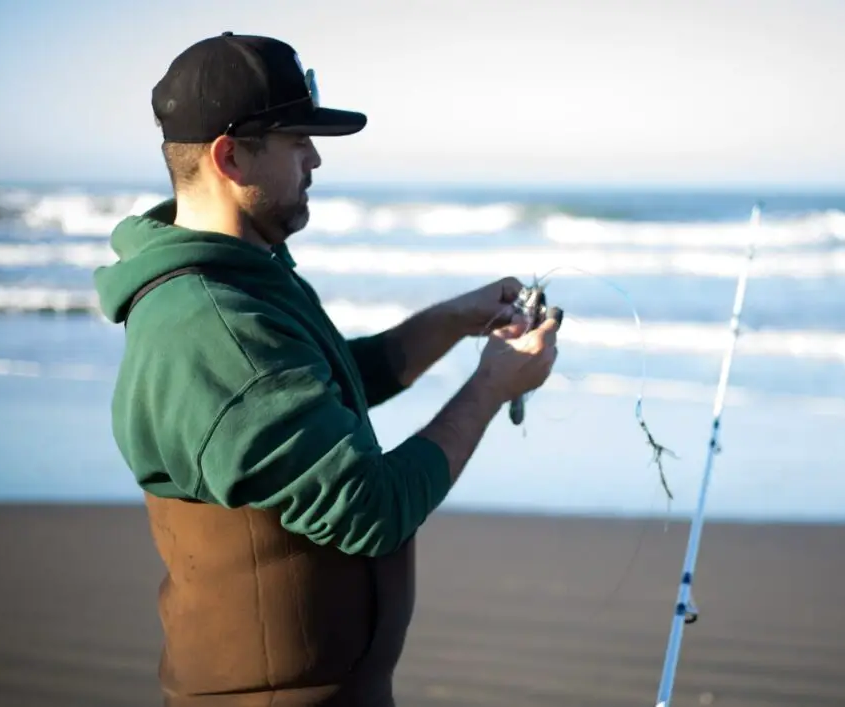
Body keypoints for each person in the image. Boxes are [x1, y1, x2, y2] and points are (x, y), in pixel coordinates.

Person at [93, 32, 561, 707]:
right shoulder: (212, 325)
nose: (315, 158)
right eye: (296, 140)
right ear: (229, 156)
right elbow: (372, 509)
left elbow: (337, 383)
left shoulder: (247, 278)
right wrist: (493, 385)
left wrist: (457, 318)